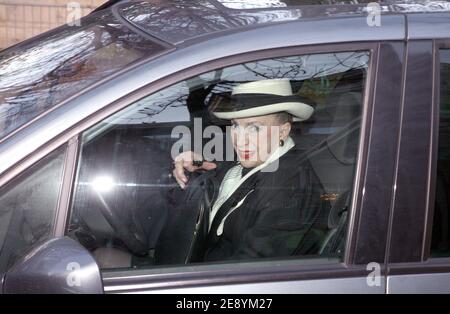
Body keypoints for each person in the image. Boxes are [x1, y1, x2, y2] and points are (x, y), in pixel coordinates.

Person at [157, 79, 328, 263]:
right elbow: (232, 181)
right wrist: (195, 167)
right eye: (236, 125)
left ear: (283, 131)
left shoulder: (291, 187)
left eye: (254, 128)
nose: (240, 140)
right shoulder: (253, 164)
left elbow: (252, 268)